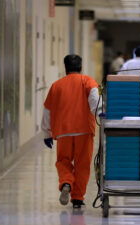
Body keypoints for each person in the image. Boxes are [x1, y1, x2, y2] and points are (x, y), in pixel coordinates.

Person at [41, 55, 101, 208]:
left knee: (63, 161)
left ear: (65, 67)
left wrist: (46, 134)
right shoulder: (88, 81)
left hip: (63, 131)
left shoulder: (56, 85)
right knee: (82, 164)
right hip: (84, 131)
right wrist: (102, 115)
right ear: (81, 67)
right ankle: (78, 199)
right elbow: (95, 103)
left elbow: (47, 111)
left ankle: (66, 182)